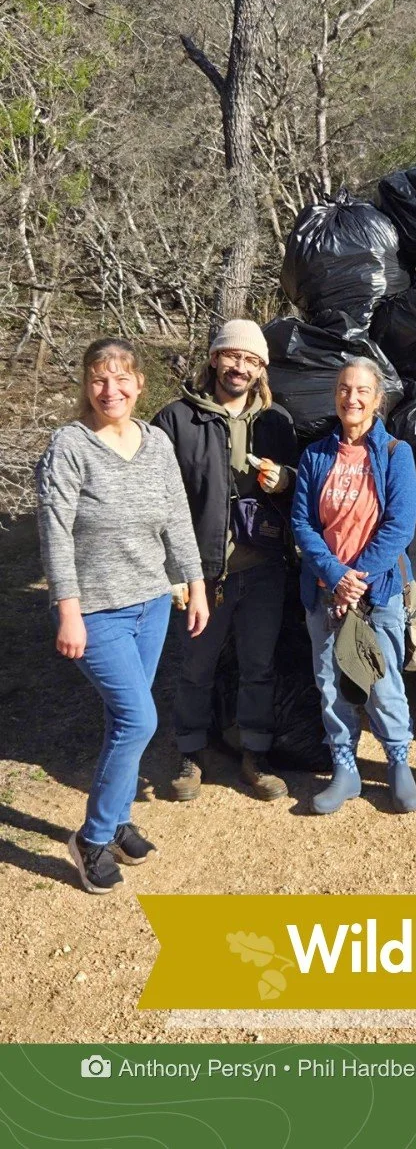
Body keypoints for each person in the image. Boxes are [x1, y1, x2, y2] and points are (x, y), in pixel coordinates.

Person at [35, 338, 208, 894]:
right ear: (86, 385)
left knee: (122, 720)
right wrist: (68, 610)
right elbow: (55, 534)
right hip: (97, 610)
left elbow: (178, 518)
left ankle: (118, 821)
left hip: (153, 601)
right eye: (98, 379)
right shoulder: (71, 445)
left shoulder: (155, 442)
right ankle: (91, 837)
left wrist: (195, 584)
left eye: (121, 378)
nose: (111, 390)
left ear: (138, 383)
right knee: (139, 719)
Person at [152, 320, 298, 803]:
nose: (241, 367)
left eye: (253, 361)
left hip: (263, 568)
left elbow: (305, 489)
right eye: (233, 356)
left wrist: (286, 480)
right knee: (197, 667)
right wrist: (172, 572)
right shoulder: (176, 419)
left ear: (261, 370)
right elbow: (154, 501)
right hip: (203, 575)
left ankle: (256, 754)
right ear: (214, 358)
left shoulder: (276, 422)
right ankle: (189, 751)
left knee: (259, 666)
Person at [292, 359, 416, 815]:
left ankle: (398, 765)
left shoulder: (394, 453)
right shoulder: (315, 456)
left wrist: (357, 578)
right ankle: (345, 769)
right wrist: (334, 575)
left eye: (362, 390)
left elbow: (399, 526)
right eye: (345, 389)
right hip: (326, 591)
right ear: (336, 396)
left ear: (377, 399)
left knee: (383, 682)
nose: (352, 397)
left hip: (377, 592)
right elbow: (302, 524)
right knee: (330, 682)